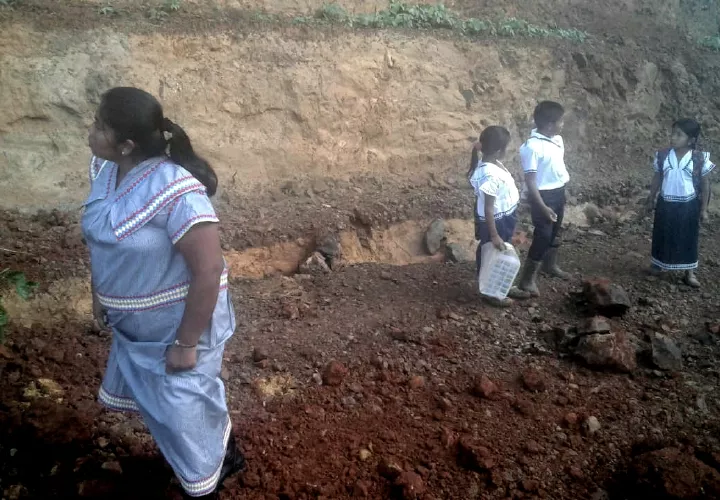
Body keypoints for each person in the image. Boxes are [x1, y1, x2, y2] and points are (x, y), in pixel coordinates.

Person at [82, 87, 244, 499]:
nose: (92, 130)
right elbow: (103, 242)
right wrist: (101, 293)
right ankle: (201, 458)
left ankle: (214, 471)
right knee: (166, 405)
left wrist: (186, 344)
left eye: (100, 125)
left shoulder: (177, 191)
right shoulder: (104, 171)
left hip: (179, 326)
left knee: (183, 402)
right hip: (138, 326)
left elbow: (208, 269)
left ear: (127, 144)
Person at [645, 118, 715, 287]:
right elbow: (657, 178)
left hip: (688, 205)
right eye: (673, 133)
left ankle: (689, 272)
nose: (673, 138)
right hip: (665, 203)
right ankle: (658, 265)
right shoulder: (663, 156)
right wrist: (651, 197)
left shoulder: (698, 158)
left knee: (688, 237)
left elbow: (705, 185)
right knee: (662, 234)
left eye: (679, 135)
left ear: (691, 140)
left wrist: (703, 209)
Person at [515, 101, 571, 296]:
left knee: (555, 230)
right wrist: (543, 206)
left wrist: (563, 187)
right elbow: (530, 182)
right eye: (561, 121)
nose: (563, 125)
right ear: (549, 124)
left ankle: (550, 265)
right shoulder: (531, 147)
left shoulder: (557, 140)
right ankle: (527, 280)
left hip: (558, 191)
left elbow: (556, 166)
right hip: (542, 196)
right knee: (543, 235)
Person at [468, 126, 520, 307]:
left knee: (498, 251)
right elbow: (489, 209)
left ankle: (502, 285)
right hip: (496, 221)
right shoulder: (489, 175)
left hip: (503, 217)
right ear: (499, 150)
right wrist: (494, 234)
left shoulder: (493, 164)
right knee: (493, 251)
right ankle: (492, 292)